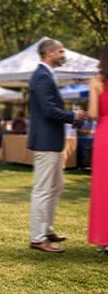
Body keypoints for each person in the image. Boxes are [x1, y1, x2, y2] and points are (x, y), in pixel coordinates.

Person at [27, 38, 86, 253]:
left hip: (51, 141)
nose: (63, 55)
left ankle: (47, 229)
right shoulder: (42, 76)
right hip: (45, 143)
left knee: (55, 187)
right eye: (61, 52)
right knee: (42, 190)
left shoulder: (47, 74)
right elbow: (48, 109)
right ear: (49, 53)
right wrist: (73, 115)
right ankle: (38, 238)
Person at [87, 44, 108, 253]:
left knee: (103, 187)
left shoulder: (96, 82)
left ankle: (104, 238)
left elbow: (93, 114)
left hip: (104, 135)